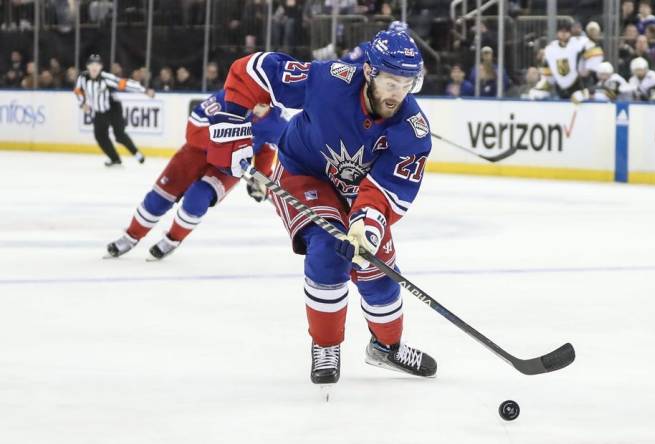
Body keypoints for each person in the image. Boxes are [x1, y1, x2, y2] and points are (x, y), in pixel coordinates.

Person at [209, 30, 437, 384]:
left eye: (407, 84)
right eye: (392, 82)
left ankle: (387, 347)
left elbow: (390, 189)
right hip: (304, 173)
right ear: (369, 72)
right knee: (329, 250)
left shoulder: (413, 131)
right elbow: (252, 70)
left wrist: (368, 225)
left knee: (378, 269)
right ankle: (326, 344)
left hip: (360, 193)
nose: (399, 93)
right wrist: (233, 123)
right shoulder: (328, 81)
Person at [106, 91, 286, 259]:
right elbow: (193, 130)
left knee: (197, 199)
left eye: (265, 104)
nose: (258, 108)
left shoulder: (276, 124)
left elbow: (265, 152)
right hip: (195, 154)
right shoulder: (227, 97)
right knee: (158, 199)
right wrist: (222, 147)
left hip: (227, 168)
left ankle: (172, 240)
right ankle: (131, 236)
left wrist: (260, 180)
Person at [73, 54, 155, 167]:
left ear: (101, 67)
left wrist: (144, 90)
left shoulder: (106, 78)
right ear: (87, 66)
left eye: (97, 65)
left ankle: (136, 153)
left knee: (119, 135)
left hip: (113, 109)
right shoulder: (82, 78)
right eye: (91, 64)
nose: (94, 67)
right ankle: (115, 159)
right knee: (100, 136)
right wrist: (82, 103)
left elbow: (125, 84)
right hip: (99, 111)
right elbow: (78, 90)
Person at [530, 20, 604, 101]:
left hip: (581, 87)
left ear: (570, 32)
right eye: (561, 31)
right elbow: (548, 74)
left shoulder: (580, 42)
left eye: (566, 31)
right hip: (562, 91)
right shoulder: (550, 48)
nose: (564, 33)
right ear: (557, 33)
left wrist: (589, 69)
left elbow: (597, 52)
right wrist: (542, 88)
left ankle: (586, 93)